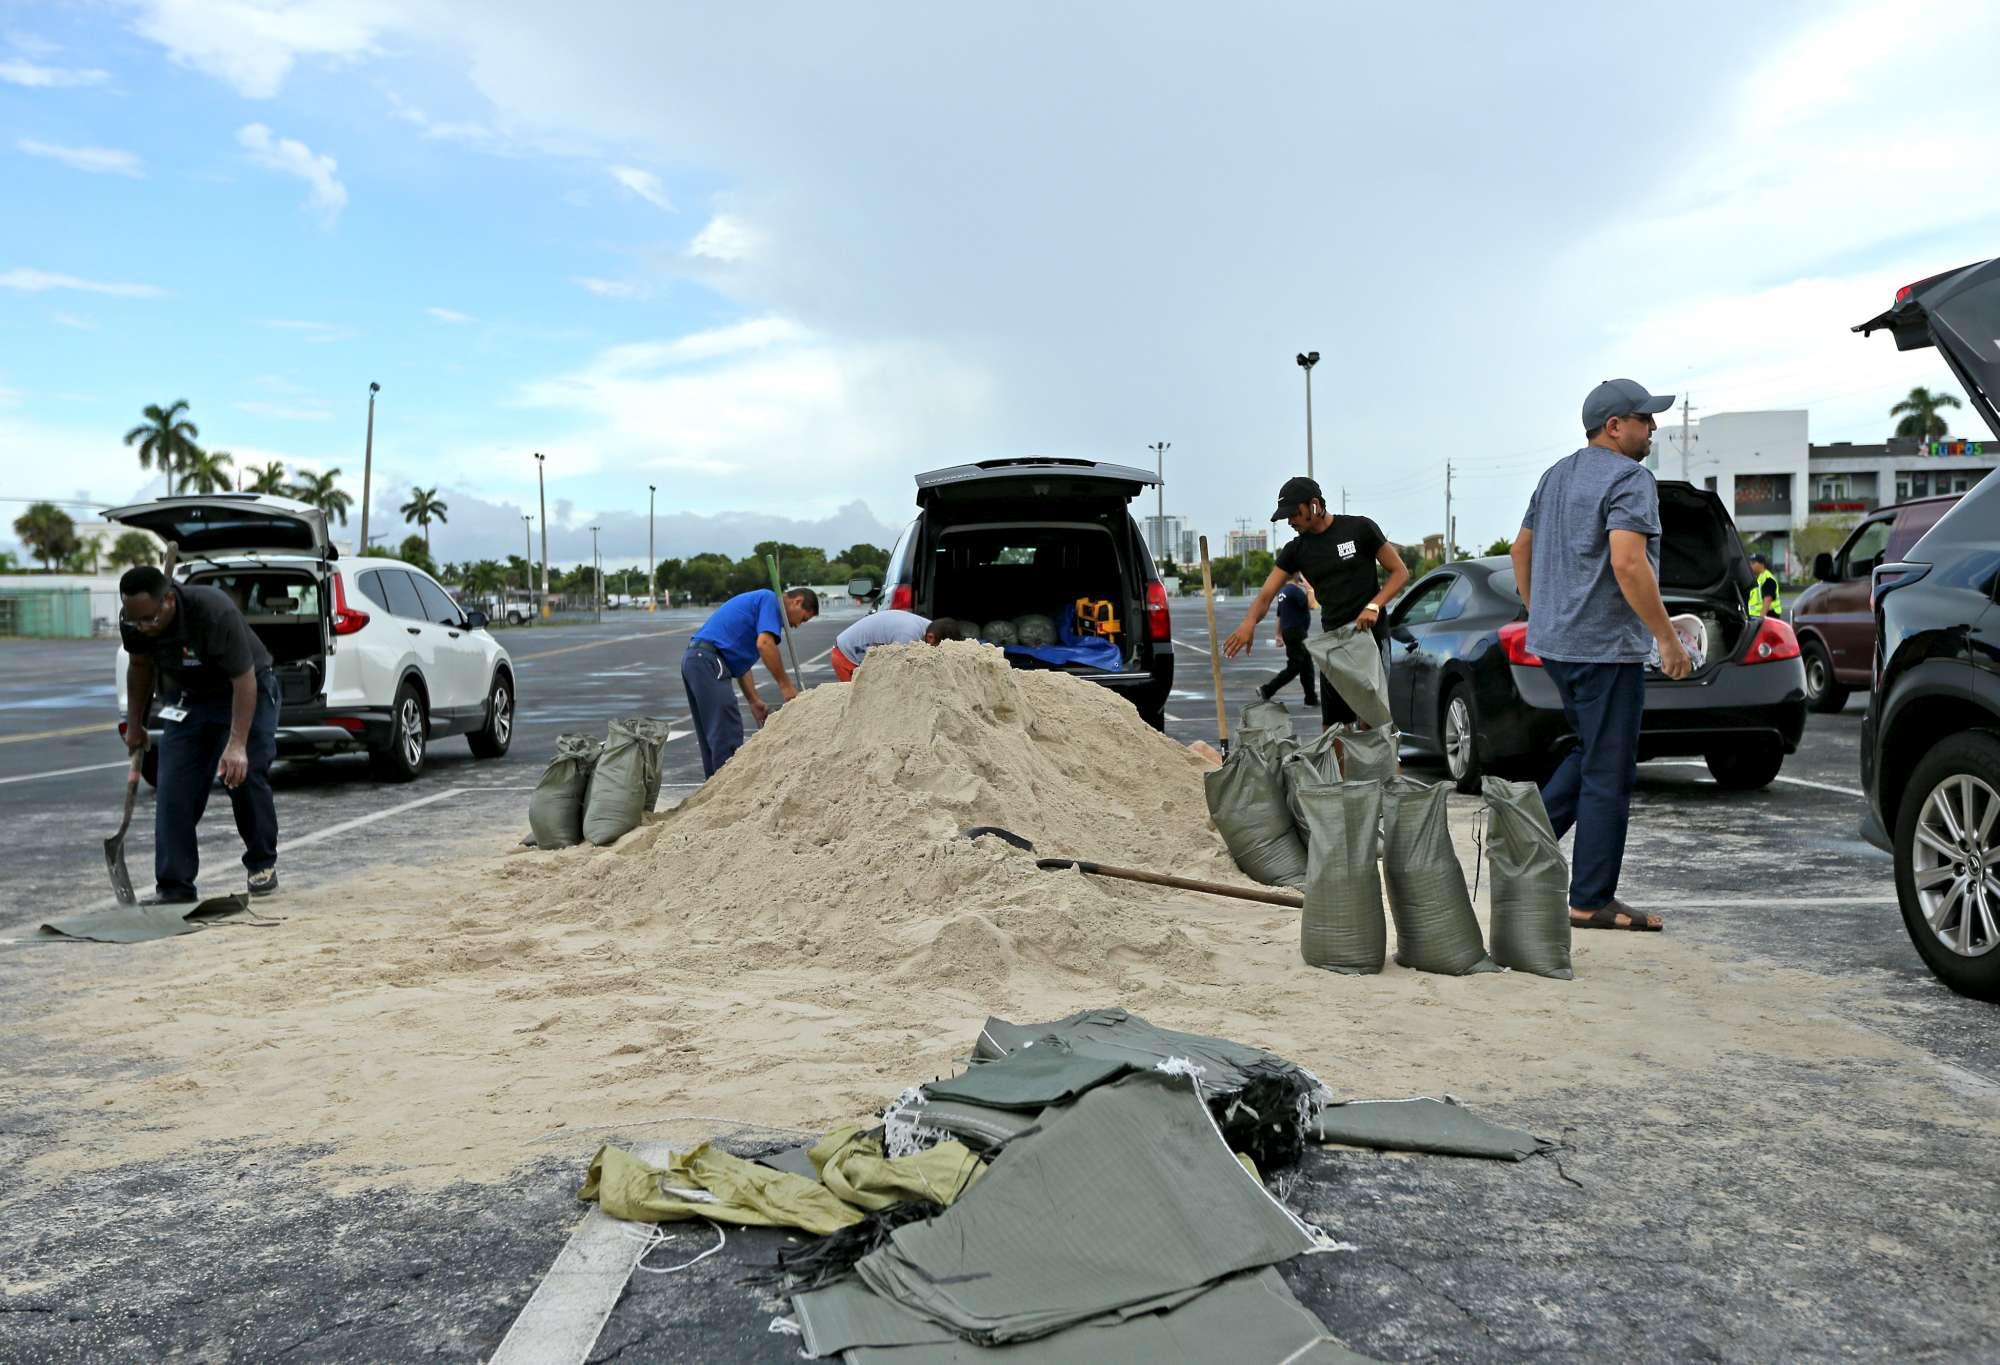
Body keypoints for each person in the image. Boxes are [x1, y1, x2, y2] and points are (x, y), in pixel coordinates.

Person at [1510, 378, 1692, 934]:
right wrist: (1666, 638)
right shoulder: (1630, 478)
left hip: (1560, 646)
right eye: (1645, 419)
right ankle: (1589, 899)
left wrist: (1541, 611)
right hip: (1606, 651)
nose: (1653, 428)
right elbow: (1629, 564)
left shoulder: (1556, 475)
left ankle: (1517, 839)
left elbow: (1520, 549)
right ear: (1615, 426)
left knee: (1591, 753)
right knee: (1609, 771)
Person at [117, 565, 281, 903]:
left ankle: (261, 862)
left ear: (169, 602)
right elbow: (140, 666)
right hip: (189, 699)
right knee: (173, 787)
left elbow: (244, 679)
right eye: (136, 621)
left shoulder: (212, 610)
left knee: (242, 776)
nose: (142, 628)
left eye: (148, 619)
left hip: (248, 689)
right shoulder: (133, 620)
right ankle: (175, 886)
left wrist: (236, 745)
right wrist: (136, 724)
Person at [1223, 476, 1409, 731]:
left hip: (1370, 638)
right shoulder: (1296, 550)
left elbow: (1400, 572)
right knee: (1333, 728)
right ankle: (1337, 772)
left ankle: (1375, 770)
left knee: (1372, 720)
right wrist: (1249, 623)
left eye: (1294, 514)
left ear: (1314, 505)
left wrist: (1374, 606)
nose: (1290, 522)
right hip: (1333, 643)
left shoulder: (1360, 529)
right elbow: (1266, 594)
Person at [681, 586, 819, 777]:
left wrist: (753, 700)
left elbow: (740, 665)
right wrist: (786, 686)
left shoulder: (762, 607)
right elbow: (764, 644)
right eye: (803, 618)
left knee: (713, 735)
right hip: (708, 660)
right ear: (797, 601)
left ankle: (714, 790)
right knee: (726, 731)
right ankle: (727, 791)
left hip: (700, 660)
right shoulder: (770, 600)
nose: (797, 625)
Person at [829, 611, 964, 681]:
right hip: (847, 656)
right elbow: (899, 673)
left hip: (858, 649)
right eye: (938, 649)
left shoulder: (933, 627)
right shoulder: (908, 635)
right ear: (930, 638)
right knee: (857, 702)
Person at [1256, 573, 1318, 707]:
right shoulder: (1295, 591)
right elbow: (1311, 604)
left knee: (1307, 666)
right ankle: (1266, 690)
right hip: (1296, 633)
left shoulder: (1283, 592)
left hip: (1290, 632)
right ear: (1298, 577)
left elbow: (1280, 615)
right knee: (1294, 667)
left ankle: (1311, 699)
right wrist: (1310, 588)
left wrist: (1278, 634)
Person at [1747, 551, 1783, 619]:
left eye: (1753, 563)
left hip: (1768, 617)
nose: (1750, 566)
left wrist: (1761, 619)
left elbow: (1767, 600)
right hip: (1755, 617)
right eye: (1750, 563)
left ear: (1762, 564)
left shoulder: (1768, 579)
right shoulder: (1757, 578)